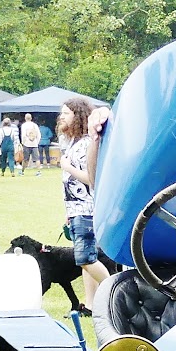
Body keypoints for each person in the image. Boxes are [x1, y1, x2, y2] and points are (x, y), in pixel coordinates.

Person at [58, 97, 110, 310]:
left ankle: (113, 292)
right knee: (87, 261)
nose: (61, 117)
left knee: (85, 259)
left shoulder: (88, 144)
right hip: (76, 209)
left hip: (87, 210)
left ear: (78, 116)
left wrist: (67, 166)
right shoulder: (73, 143)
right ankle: (90, 304)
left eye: (66, 113)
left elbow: (92, 179)